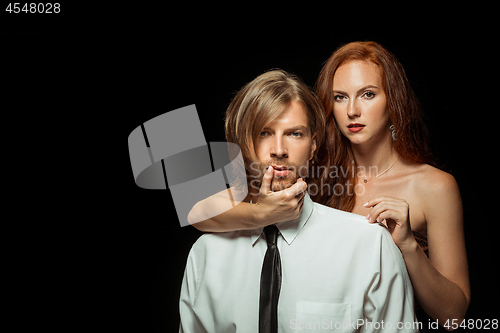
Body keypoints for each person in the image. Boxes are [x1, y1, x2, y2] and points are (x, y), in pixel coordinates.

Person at [189, 42, 470, 330]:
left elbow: (453, 316)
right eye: (339, 97)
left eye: (368, 94)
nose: (352, 110)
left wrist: (408, 246)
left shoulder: (433, 186)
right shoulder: (309, 170)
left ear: (393, 100)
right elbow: (199, 210)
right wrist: (262, 213)